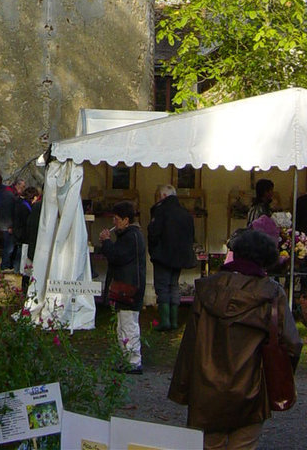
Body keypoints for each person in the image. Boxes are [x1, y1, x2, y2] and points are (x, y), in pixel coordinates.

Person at [169, 227, 302, 449]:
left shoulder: (207, 289)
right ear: (266, 259)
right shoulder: (272, 293)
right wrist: (280, 376)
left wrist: (183, 389)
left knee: (210, 445)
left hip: (206, 388)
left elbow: (190, 344)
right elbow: (291, 344)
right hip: (251, 389)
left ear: (237, 253)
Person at [99, 200, 146, 375]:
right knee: (123, 325)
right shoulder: (131, 236)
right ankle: (127, 359)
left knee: (129, 324)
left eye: (117, 219)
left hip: (130, 288)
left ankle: (133, 361)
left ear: (126, 220)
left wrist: (106, 242)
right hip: (128, 286)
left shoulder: (131, 237)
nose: (114, 222)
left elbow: (116, 257)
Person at [147, 184, 196, 331]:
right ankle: (174, 321)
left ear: (163, 196)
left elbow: (154, 234)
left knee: (162, 287)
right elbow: (192, 236)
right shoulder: (185, 213)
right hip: (180, 257)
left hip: (163, 255)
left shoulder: (160, 211)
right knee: (174, 286)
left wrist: (153, 250)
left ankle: (165, 322)